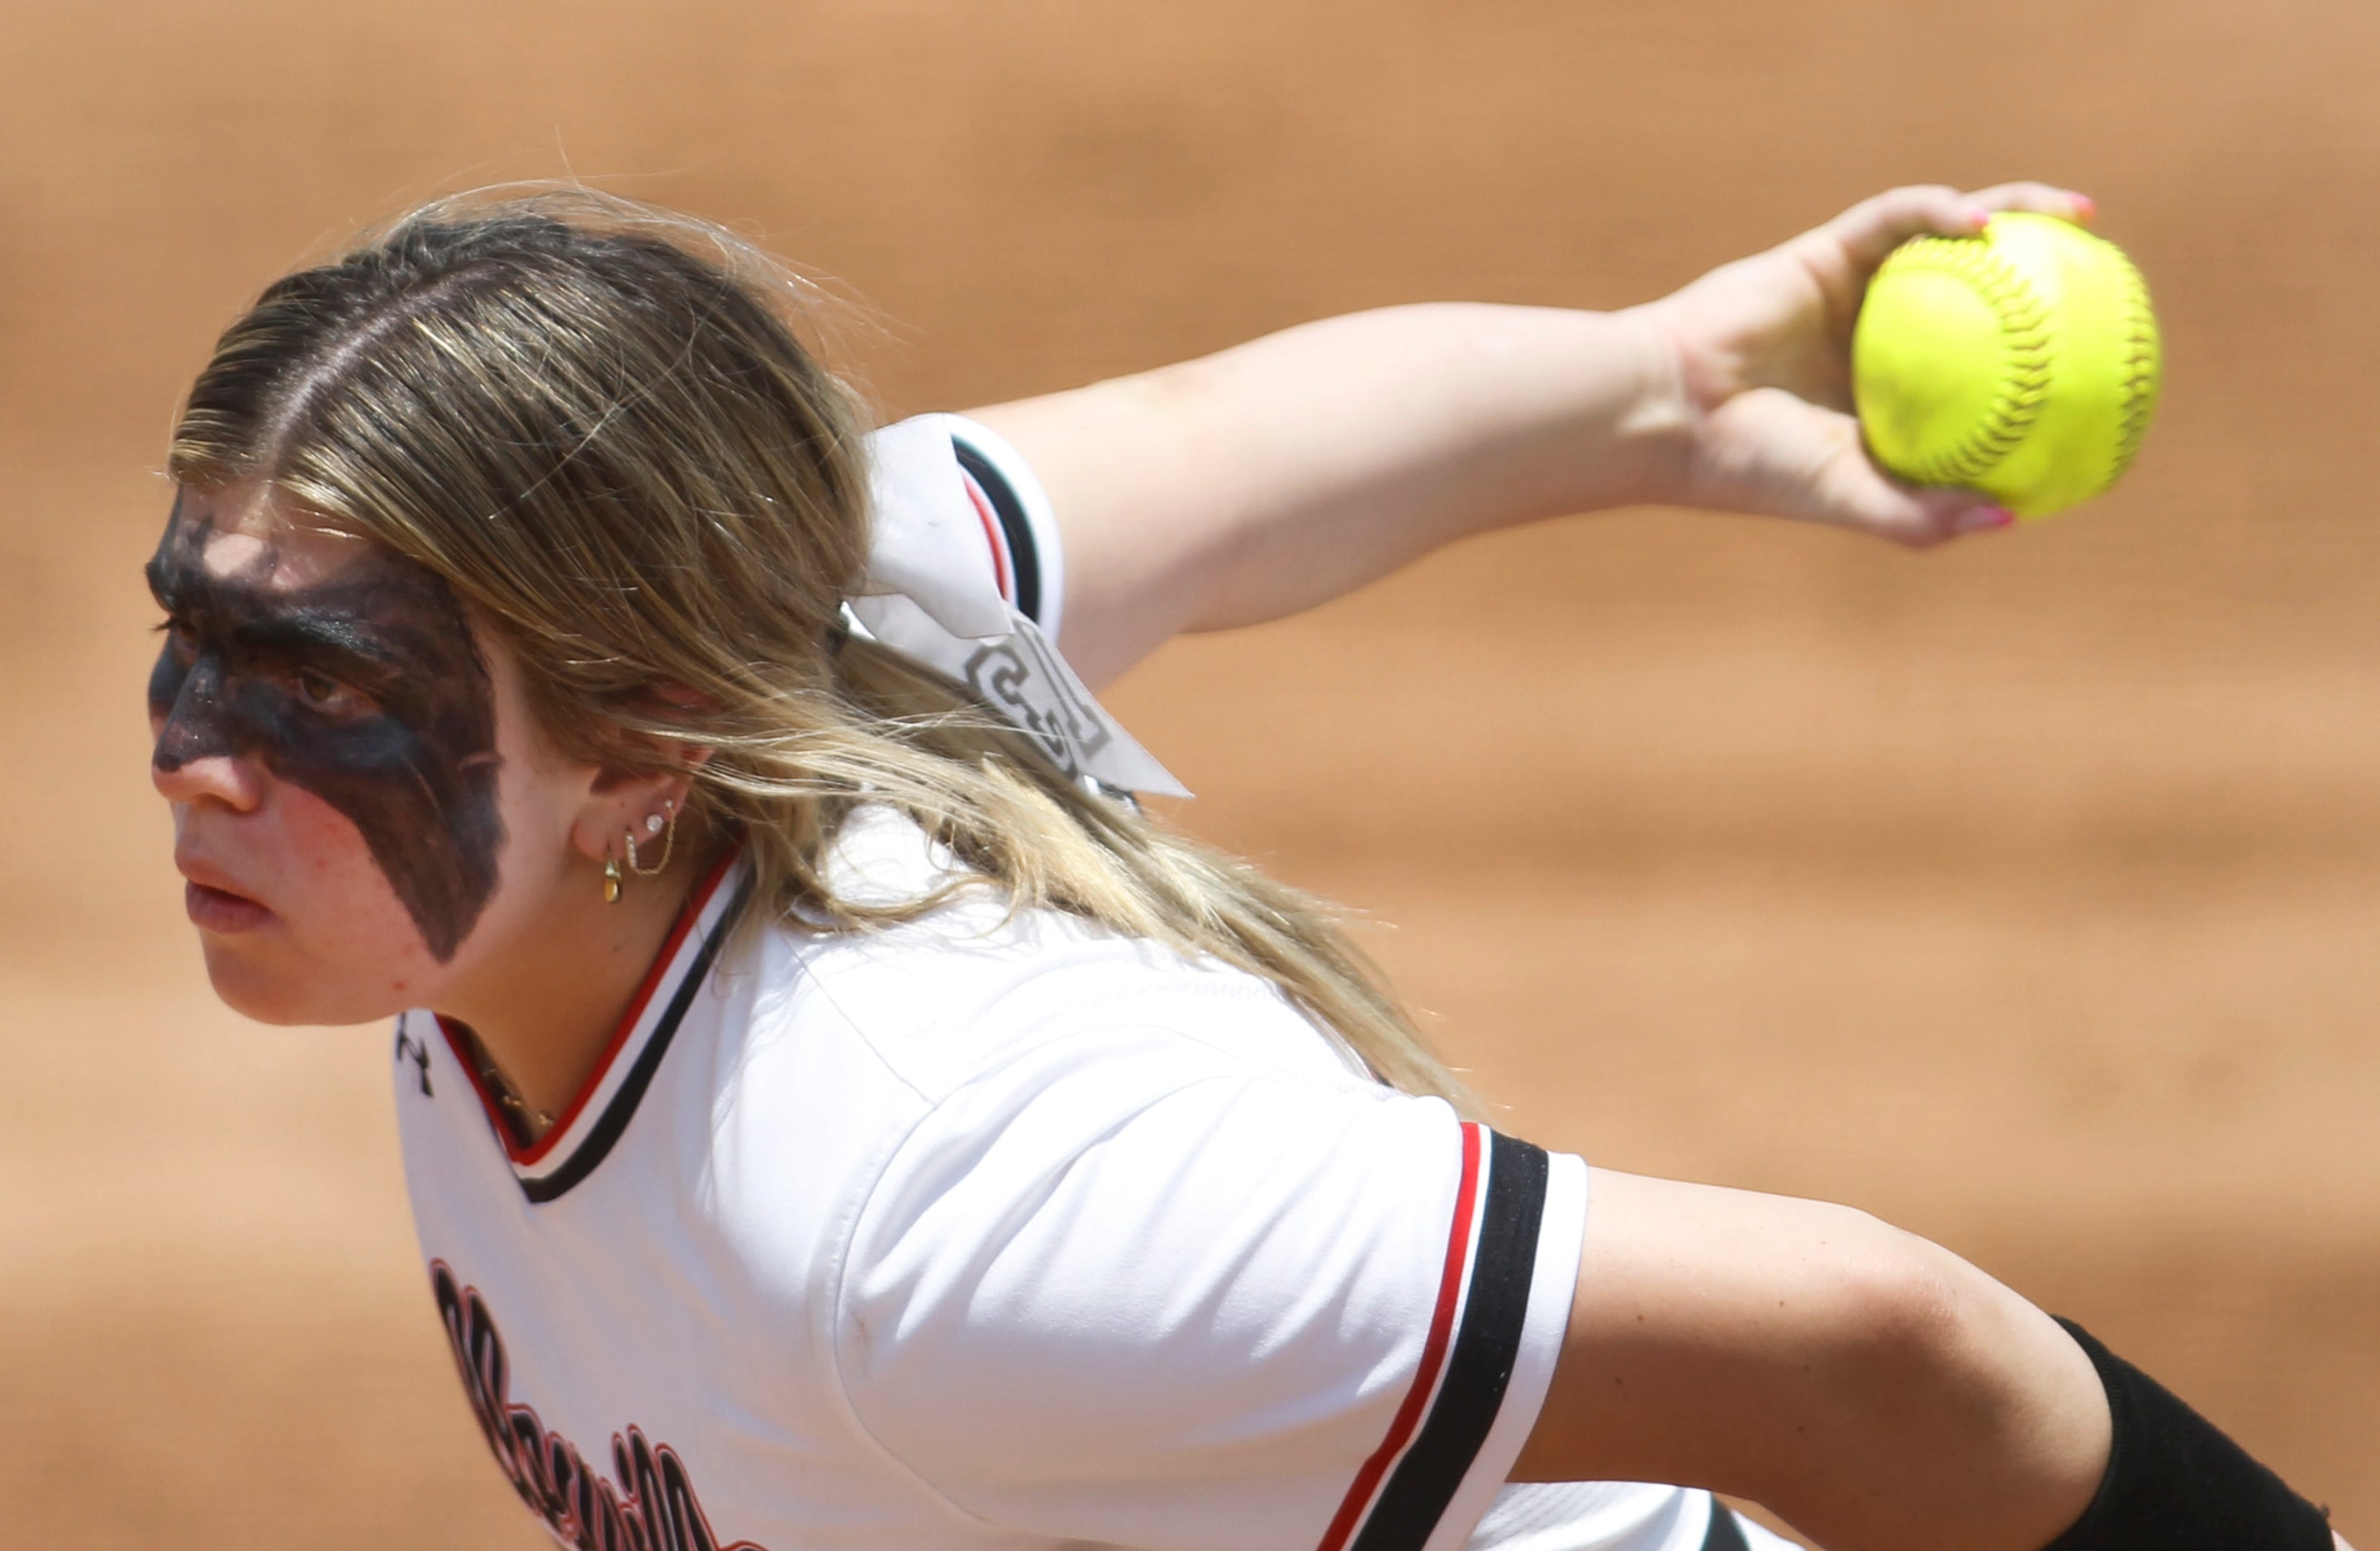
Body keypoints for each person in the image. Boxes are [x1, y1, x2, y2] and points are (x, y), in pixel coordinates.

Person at [146, 181, 2349, 1551]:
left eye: (320, 685)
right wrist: (1667, 385)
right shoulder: (818, 615)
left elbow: (1874, 1346)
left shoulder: (946, 1203)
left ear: (638, 750)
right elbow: (1222, 455)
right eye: (198, 637)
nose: (202, 764)